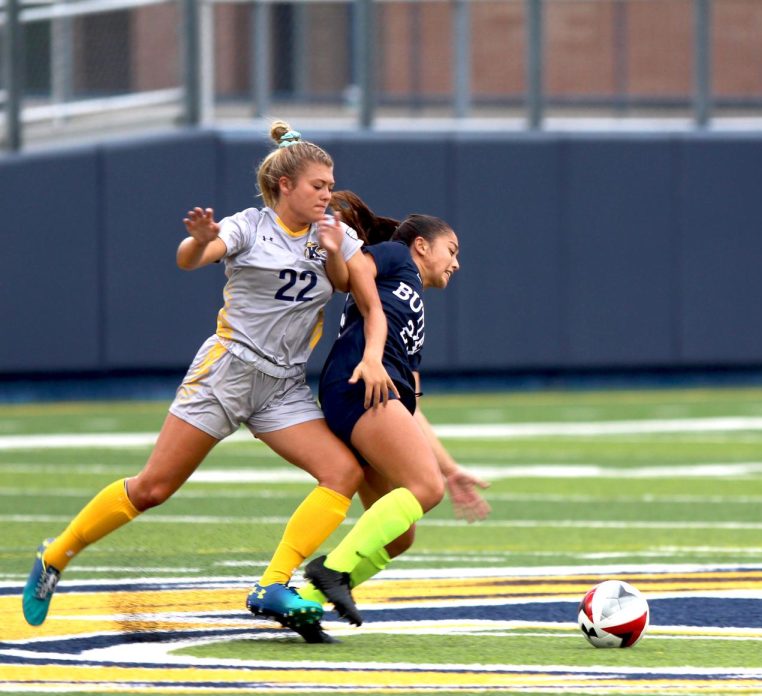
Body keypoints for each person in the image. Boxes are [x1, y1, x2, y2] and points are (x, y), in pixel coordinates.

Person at [22, 123, 395, 639]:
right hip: (227, 373)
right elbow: (191, 257)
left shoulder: (335, 234)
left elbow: (365, 302)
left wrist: (372, 352)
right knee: (153, 488)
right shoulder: (249, 225)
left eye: (330, 184)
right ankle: (55, 556)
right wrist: (198, 241)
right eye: (318, 185)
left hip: (283, 385)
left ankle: (272, 583)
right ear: (285, 186)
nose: (328, 194)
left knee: (342, 474)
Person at [283, 191, 491, 641]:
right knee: (423, 488)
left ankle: (307, 607)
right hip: (360, 384)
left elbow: (412, 408)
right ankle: (332, 570)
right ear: (421, 245)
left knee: (399, 537)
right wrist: (337, 250)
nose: (456, 263)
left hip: (374, 397)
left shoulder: (412, 307)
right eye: (451, 250)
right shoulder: (396, 257)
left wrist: (450, 468)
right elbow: (353, 272)